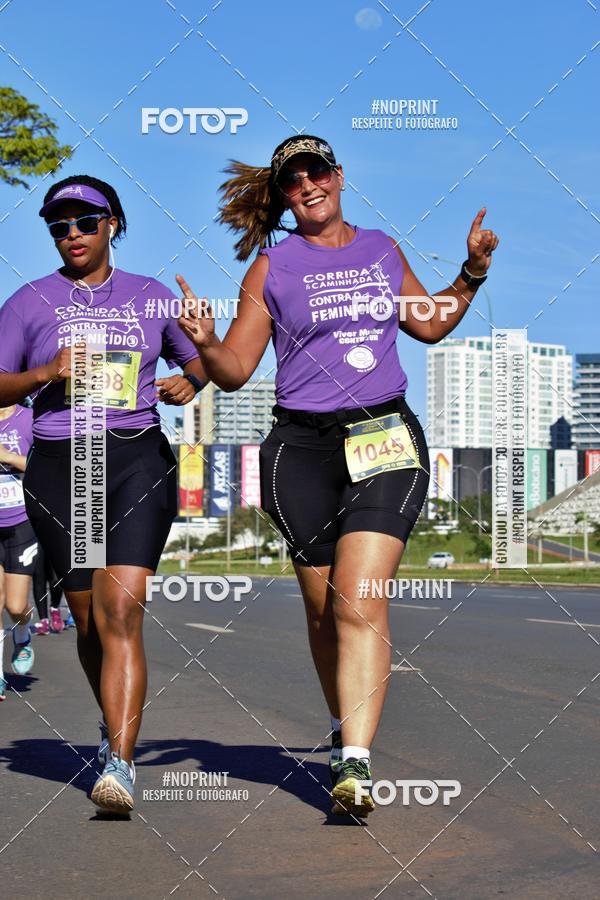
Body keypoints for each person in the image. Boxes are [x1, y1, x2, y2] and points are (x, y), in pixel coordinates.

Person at [177, 135, 499, 817]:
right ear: (284, 194)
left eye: (316, 171)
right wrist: (206, 346)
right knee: (324, 612)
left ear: (338, 176)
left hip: (382, 434)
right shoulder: (271, 268)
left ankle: (354, 763)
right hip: (300, 449)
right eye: (293, 180)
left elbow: (430, 325)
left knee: (359, 599)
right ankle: (342, 729)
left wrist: (470, 274)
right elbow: (235, 371)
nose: (307, 185)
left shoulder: (381, 250)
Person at [0, 175, 206, 812]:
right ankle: (111, 723)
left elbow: (197, 362)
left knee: (122, 608)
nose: (72, 236)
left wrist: (190, 380)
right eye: (59, 227)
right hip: (65, 462)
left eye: (85, 223)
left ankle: (120, 761)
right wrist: (43, 373)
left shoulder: (149, 296)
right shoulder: (29, 301)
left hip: (134, 457)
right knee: (90, 620)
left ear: (112, 224)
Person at [0, 402, 38, 700]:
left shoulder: (29, 419)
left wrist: (7, 457)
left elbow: (46, 466)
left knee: (15, 606)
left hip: (22, 522)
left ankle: (23, 633)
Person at [32, 546, 65, 635]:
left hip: (54, 536)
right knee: (38, 575)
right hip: (35, 536)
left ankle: (55, 608)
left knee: (56, 578)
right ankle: (43, 620)